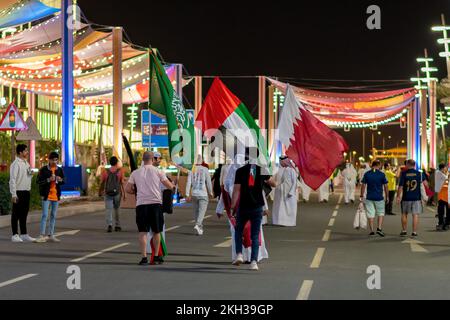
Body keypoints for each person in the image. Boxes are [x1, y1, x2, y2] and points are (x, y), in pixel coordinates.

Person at [125, 151, 174, 265]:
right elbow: (169, 186)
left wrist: (136, 192)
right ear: (152, 159)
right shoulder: (159, 171)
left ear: (143, 159)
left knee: (143, 232)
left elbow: (128, 189)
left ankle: (143, 257)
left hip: (141, 205)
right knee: (157, 231)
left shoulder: (135, 173)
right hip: (156, 204)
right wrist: (173, 186)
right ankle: (156, 256)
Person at [231, 150, 276, 271]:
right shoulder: (262, 170)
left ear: (245, 156)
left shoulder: (240, 171)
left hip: (243, 206)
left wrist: (232, 207)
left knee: (238, 231)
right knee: (255, 235)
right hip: (257, 207)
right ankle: (254, 262)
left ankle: (239, 254)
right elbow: (273, 183)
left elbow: (236, 190)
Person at [35, 152, 65, 243]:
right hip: (46, 195)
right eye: (53, 159)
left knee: (53, 215)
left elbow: (63, 181)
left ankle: (51, 234)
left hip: (55, 195)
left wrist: (60, 179)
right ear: (49, 160)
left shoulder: (59, 170)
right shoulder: (44, 169)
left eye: (56, 160)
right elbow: (38, 181)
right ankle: (41, 235)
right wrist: (48, 180)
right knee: (44, 215)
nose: (54, 161)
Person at [9, 144, 36, 243]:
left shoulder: (26, 163)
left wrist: (31, 174)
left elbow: (28, 176)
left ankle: (24, 234)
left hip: (26, 192)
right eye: (25, 151)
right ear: (20, 152)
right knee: (16, 214)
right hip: (18, 192)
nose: (27, 152)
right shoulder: (15, 164)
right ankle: (15, 235)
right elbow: (12, 180)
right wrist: (13, 194)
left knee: (24, 214)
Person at [397, 159, 428, 237]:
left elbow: (400, 186)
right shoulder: (420, 174)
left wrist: (398, 196)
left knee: (404, 214)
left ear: (407, 164)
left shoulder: (404, 173)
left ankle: (404, 230)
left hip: (406, 197)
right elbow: (426, 185)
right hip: (416, 198)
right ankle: (414, 232)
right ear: (414, 165)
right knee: (415, 215)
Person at [186, 155, 213, 236]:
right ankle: (198, 224)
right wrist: (210, 192)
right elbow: (208, 182)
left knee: (196, 211)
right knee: (202, 211)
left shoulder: (192, 170)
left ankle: (199, 228)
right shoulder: (205, 169)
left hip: (194, 194)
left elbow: (188, 182)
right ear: (202, 161)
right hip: (203, 194)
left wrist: (187, 194)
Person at [360, 160, 389, 237]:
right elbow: (386, 186)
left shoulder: (367, 174)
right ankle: (379, 228)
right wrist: (387, 196)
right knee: (380, 213)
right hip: (379, 197)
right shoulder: (382, 174)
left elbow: (363, 185)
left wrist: (361, 195)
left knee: (370, 214)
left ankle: (372, 230)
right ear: (378, 165)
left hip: (369, 197)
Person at [99, 156, 125, 233]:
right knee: (117, 209)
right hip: (117, 193)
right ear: (117, 163)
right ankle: (117, 225)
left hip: (108, 193)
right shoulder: (120, 171)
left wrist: (100, 191)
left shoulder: (105, 171)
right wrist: (124, 194)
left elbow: (102, 182)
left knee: (108, 209)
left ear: (110, 163)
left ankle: (109, 225)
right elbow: (122, 183)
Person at [272, 156, 298, 227]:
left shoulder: (291, 170)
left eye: (281, 161)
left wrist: (291, 192)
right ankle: (278, 221)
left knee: (289, 207)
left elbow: (295, 182)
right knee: (279, 207)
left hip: (288, 193)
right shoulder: (279, 170)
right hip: (279, 192)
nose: (280, 162)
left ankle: (289, 222)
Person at [435, 163, 448, 231]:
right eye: (446, 167)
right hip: (441, 196)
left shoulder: (444, 174)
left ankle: (447, 223)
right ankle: (441, 223)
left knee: (448, 211)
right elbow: (446, 178)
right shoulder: (438, 173)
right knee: (441, 211)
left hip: (447, 196)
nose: (447, 169)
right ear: (443, 168)